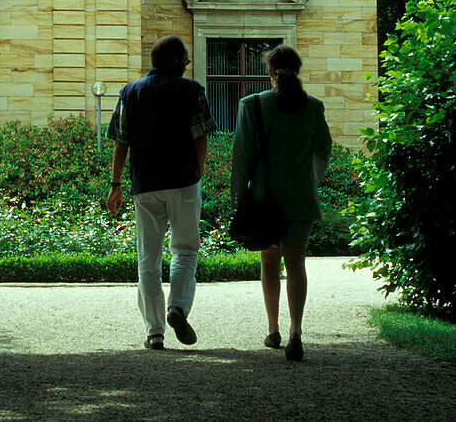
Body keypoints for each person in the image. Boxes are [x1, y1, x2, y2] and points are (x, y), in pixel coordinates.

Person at [106, 35, 216, 350]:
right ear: (175, 61)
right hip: (183, 181)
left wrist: (115, 185)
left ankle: (154, 331)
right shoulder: (192, 90)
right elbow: (201, 138)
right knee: (184, 251)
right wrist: (197, 173)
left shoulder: (131, 92)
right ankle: (177, 308)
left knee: (148, 258)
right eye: (184, 57)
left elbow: (121, 141)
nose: (188, 62)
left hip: (145, 183)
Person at [231, 45, 332, 362]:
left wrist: (238, 198)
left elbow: (242, 157)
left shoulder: (253, 106)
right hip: (300, 198)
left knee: (269, 264)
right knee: (297, 266)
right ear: (297, 70)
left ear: (269, 72)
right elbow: (323, 151)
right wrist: (310, 182)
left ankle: (273, 329)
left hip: (264, 199)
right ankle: (296, 332)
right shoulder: (314, 107)